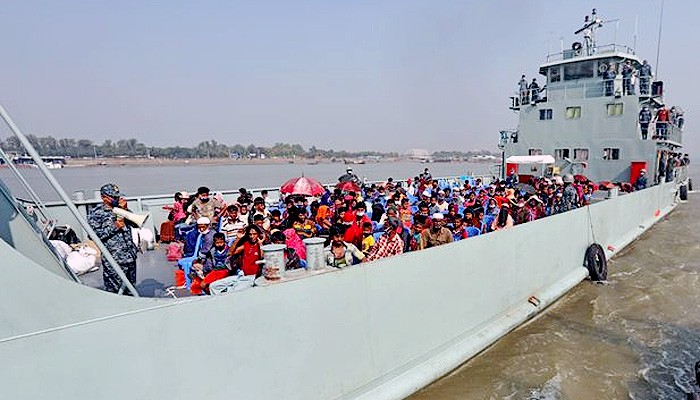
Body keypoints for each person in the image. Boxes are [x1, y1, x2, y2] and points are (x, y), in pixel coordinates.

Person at [87, 183, 139, 294]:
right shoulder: (97, 213)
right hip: (114, 258)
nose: (117, 199)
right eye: (113, 197)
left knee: (131, 288)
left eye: (117, 197)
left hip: (129, 256)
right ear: (103, 197)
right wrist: (114, 227)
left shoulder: (120, 209)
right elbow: (93, 235)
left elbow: (136, 224)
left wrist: (125, 210)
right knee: (115, 290)